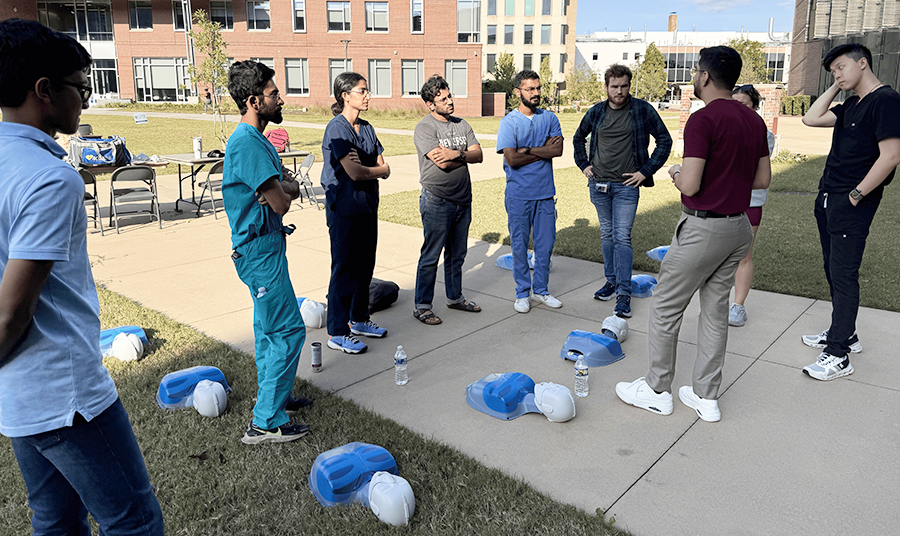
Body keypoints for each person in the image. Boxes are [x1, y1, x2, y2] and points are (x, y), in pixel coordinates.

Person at [0, 19, 164, 533]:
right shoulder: (50, 178)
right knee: (134, 521)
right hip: (65, 396)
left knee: (55, 520)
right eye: (81, 86)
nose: (86, 100)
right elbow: (9, 314)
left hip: (20, 397)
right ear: (44, 91)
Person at [615, 46, 771, 422]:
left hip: (704, 227)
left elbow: (691, 184)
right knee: (715, 311)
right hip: (738, 227)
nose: (694, 77)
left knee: (666, 307)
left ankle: (656, 390)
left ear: (705, 76)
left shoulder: (703, 121)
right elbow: (763, 179)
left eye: (697, 71)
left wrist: (672, 174)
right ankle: (706, 396)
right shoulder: (753, 121)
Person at [800, 43, 900, 380]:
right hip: (829, 196)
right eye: (832, 71)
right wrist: (836, 85)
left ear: (863, 63)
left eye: (842, 67)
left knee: (843, 274)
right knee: (833, 268)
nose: (838, 74)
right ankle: (845, 332)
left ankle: (839, 354)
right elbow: (810, 118)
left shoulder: (885, 100)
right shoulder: (851, 104)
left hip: (851, 202)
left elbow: (891, 156)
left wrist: (856, 195)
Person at [223, 60, 310, 444]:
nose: (281, 100)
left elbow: (283, 186)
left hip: (266, 247)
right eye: (274, 94)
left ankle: (278, 395)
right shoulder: (246, 142)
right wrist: (283, 189)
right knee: (288, 329)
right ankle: (264, 422)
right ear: (254, 100)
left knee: (266, 331)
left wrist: (282, 186)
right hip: (259, 252)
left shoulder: (258, 141)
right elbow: (282, 200)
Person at [573, 64, 672, 318]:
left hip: (627, 187)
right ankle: (611, 281)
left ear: (629, 85)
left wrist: (645, 171)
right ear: (605, 87)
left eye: (624, 86)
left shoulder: (641, 110)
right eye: (614, 86)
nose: (619, 91)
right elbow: (578, 138)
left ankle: (624, 294)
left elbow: (665, 140)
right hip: (599, 185)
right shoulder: (596, 112)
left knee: (622, 237)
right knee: (607, 235)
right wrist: (584, 165)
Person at [321, 72, 391, 353]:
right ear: (345, 95)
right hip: (344, 208)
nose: (368, 95)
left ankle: (359, 319)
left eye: (367, 90)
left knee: (365, 265)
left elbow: (381, 167)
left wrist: (370, 170)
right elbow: (354, 171)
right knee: (344, 268)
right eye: (362, 91)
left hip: (366, 206)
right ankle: (338, 331)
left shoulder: (368, 128)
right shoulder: (337, 129)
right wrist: (373, 170)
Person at [412, 75, 483, 325]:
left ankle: (455, 297)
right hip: (437, 200)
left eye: (449, 95)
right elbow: (440, 162)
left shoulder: (461, 124)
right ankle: (422, 306)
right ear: (430, 104)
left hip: (463, 200)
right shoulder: (425, 128)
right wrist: (465, 155)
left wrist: (456, 153)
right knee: (431, 255)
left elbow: (479, 155)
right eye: (443, 99)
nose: (449, 101)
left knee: (457, 254)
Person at [496, 70, 564, 313]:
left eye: (538, 88)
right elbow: (512, 159)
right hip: (518, 195)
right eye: (530, 89)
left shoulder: (550, 118)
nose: (536, 93)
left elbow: (557, 151)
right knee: (519, 246)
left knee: (545, 247)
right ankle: (522, 293)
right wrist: (540, 149)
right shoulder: (509, 122)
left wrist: (527, 150)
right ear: (518, 92)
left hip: (545, 193)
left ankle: (542, 291)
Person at [728, 84, 777, 327]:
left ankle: (738, 306)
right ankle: (715, 304)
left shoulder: (764, 135)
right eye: (733, 102)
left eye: (744, 104)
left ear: (755, 107)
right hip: (722, 201)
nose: (737, 108)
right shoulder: (723, 130)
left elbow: (756, 174)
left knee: (743, 256)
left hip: (749, 204)